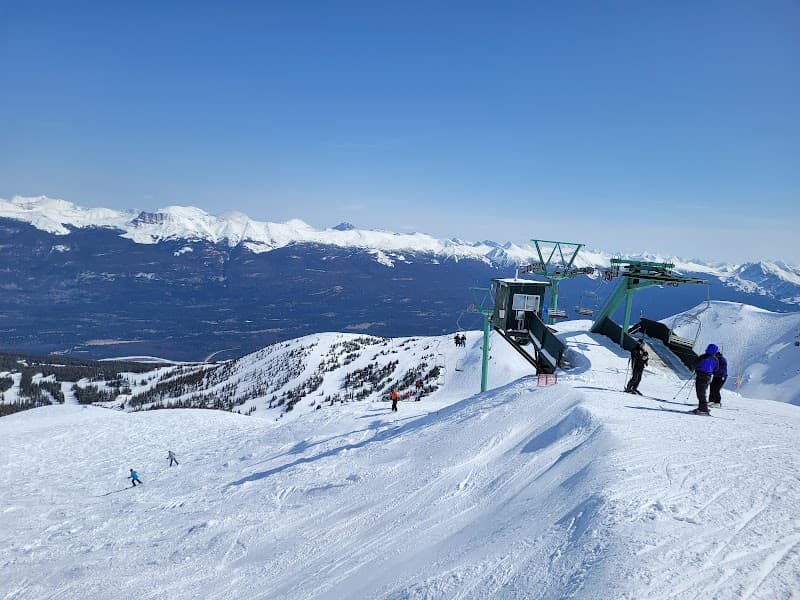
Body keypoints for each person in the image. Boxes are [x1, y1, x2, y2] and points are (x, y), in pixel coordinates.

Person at [693, 344, 720, 415]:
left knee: (700, 393)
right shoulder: (716, 359)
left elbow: (695, 364)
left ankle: (704, 409)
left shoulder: (702, 357)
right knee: (702, 392)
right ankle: (701, 407)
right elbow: (716, 369)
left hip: (700, 375)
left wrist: (697, 369)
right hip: (708, 376)